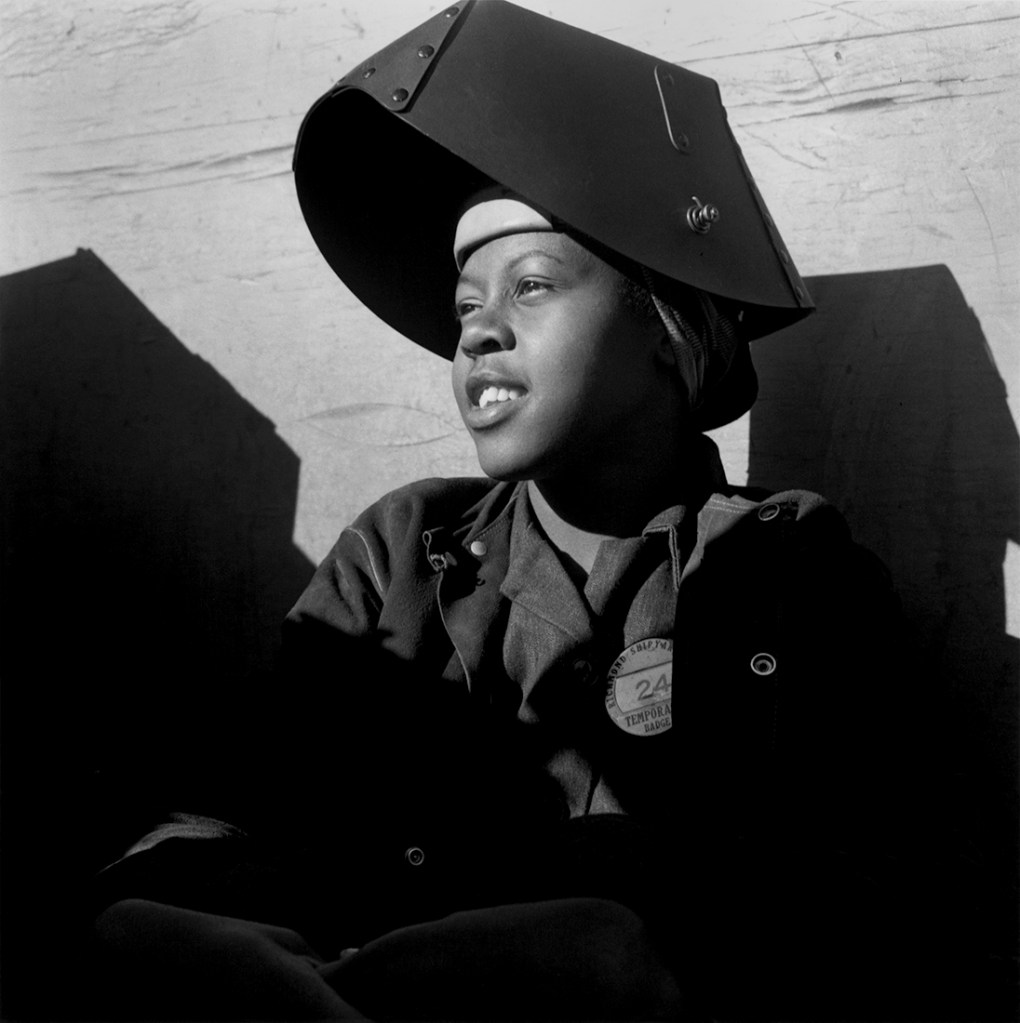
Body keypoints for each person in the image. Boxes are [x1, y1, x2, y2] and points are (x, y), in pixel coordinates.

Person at [90, 3, 959, 1020]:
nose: (479, 334)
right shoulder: (399, 551)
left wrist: (622, 938)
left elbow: (867, 893)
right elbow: (229, 807)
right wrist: (163, 908)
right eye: (465, 305)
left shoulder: (785, 569)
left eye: (533, 284)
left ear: (666, 324)